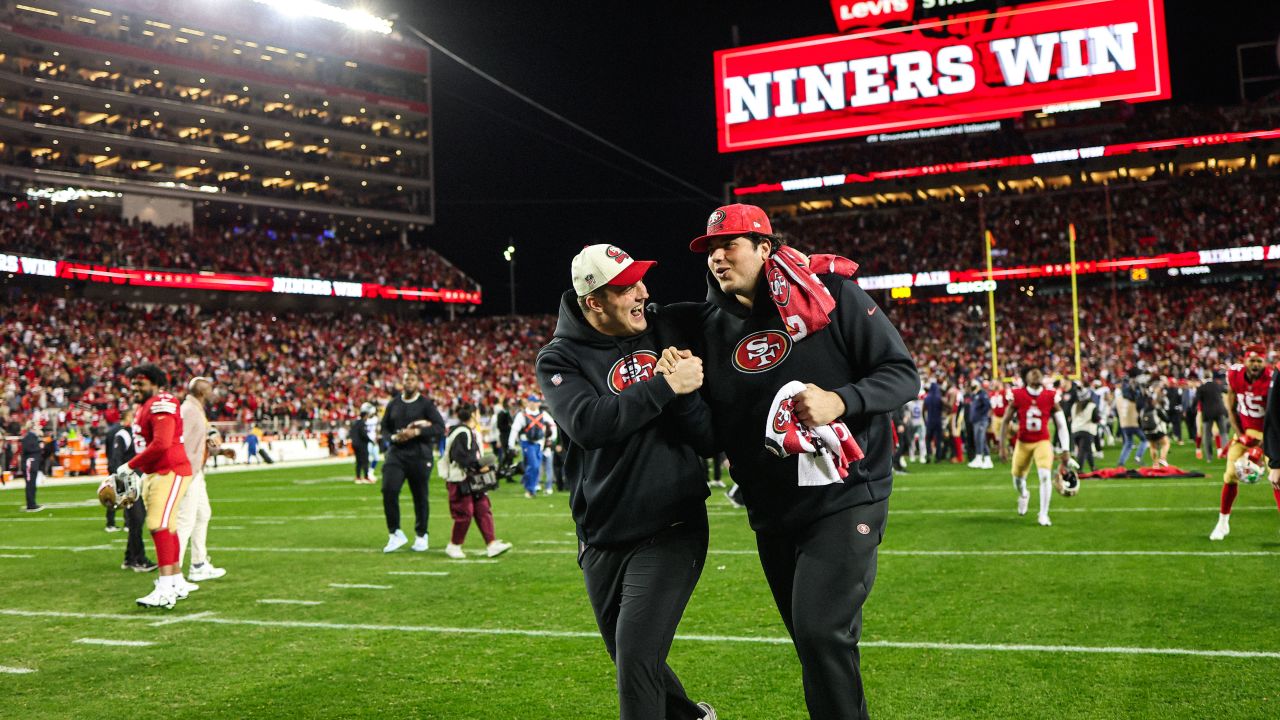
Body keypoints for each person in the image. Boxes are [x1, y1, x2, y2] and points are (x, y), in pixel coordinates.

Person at [671, 205, 918, 719]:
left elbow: (901, 374)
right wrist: (683, 395)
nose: (717, 256)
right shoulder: (710, 327)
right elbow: (714, 436)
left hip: (845, 495)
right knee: (813, 644)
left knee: (820, 631)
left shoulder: (829, 295)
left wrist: (840, 400)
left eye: (730, 244)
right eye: (710, 249)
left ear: (765, 248)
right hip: (773, 511)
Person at [536, 243, 717, 720]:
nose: (642, 292)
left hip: (672, 525)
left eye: (641, 280)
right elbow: (589, 425)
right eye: (626, 287)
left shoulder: (666, 325)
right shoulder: (559, 358)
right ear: (593, 301)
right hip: (602, 533)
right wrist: (663, 387)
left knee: (636, 657)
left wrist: (686, 394)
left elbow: (727, 310)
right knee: (631, 657)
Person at [107, 365, 196, 608]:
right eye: (133, 383)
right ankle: (176, 580)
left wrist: (128, 466)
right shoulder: (144, 406)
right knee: (169, 526)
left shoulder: (161, 403)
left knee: (158, 523)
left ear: (155, 384)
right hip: (156, 471)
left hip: (170, 468)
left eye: (141, 383)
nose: (135, 388)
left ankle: (166, 589)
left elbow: (161, 443)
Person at [1210, 345, 1276, 540]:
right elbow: (1230, 407)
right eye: (1252, 360)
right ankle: (1222, 523)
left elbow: (1276, 417)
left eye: (1259, 361)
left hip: (1269, 436)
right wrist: (1240, 435)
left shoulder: (1272, 379)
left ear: (1264, 362)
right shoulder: (1235, 375)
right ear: (1245, 360)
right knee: (1230, 475)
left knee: (1277, 479)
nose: (1255, 364)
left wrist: (1261, 446)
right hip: (1245, 433)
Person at [379, 370, 445, 553]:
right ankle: (395, 533)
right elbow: (384, 427)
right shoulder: (394, 403)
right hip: (396, 454)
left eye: (412, 380)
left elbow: (440, 427)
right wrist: (393, 437)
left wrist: (417, 432)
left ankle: (421, 535)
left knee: (420, 496)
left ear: (418, 383)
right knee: (388, 489)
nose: (408, 383)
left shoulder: (425, 404)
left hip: (419, 455)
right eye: (406, 379)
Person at [1000, 367, 1072, 527]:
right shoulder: (1018, 395)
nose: (1035, 373)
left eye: (1038, 371)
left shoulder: (1050, 396)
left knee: (1045, 475)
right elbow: (1005, 421)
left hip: (1042, 441)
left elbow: (1062, 425)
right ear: (1026, 377)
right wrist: (1002, 447)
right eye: (1031, 371)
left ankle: (1043, 514)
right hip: (1023, 442)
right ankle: (1024, 494)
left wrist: (1066, 449)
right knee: (1017, 480)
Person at [440, 404, 512, 560]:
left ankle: (491, 544)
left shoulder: (466, 431)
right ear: (473, 414)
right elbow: (461, 456)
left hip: (470, 478)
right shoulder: (462, 432)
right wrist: (479, 466)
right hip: (461, 478)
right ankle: (454, 545)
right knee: (464, 513)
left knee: (483, 509)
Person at [178, 377, 227, 582]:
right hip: (189, 472)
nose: (213, 393)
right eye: (209, 389)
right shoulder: (189, 411)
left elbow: (202, 435)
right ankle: (172, 574)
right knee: (185, 521)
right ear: (202, 392)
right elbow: (181, 441)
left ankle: (198, 564)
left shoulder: (195, 409)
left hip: (196, 471)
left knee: (202, 514)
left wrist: (217, 447)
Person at [109, 408, 156, 572]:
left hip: (139, 481)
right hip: (129, 483)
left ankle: (130, 558)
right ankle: (139, 559)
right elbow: (116, 462)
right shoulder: (123, 435)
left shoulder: (137, 434)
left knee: (137, 521)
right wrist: (122, 488)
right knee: (136, 520)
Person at [507, 395, 556, 498]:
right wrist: (511, 444)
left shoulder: (543, 414)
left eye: (535, 402)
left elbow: (552, 424)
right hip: (527, 443)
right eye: (531, 402)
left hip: (539, 443)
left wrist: (552, 439)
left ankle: (527, 483)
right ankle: (530, 489)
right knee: (534, 466)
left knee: (535, 467)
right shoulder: (522, 415)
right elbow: (514, 429)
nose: (533, 404)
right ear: (528, 403)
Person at [1196, 371, 1230, 461]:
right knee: (1223, 433)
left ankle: (1209, 457)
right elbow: (1226, 391)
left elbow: (1196, 401)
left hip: (1207, 414)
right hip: (1220, 412)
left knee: (1207, 436)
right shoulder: (1217, 385)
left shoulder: (1201, 388)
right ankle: (1226, 454)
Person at [1071, 386, 1100, 473]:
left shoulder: (1075, 405)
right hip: (1087, 430)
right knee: (1083, 451)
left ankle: (1093, 467)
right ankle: (1079, 469)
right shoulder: (1092, 406)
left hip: (1075, 430)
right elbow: (1095, 419)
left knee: (1088, 450)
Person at [967, 379, 992, 469]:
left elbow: (987, 405)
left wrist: (981, 415)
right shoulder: (975, 395)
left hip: (981, 420)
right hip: (976, 420)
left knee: (979, 439)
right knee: (982, 440)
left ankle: (979, 458)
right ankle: (987, 459)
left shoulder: (982, 394)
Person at [19, 420, 43, 512]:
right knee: (30, 484)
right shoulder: (29, 437)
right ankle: (31, 504)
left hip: (32, 464)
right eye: (38, 427)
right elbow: (28, 449)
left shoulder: (33, 437)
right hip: (30, 464)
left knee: (32, 484)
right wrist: (39, 447)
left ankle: (32, 503)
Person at [351, 403, 375, 484]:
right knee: (365, 461)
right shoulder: (362, 423)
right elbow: (363, 434)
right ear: (365, 416)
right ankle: (366, 477)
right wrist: (371, 441)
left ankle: (358, 477)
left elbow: (352, 433)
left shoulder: (355, 423)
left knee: (358, 462)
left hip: (355, 444)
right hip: (361, 444)